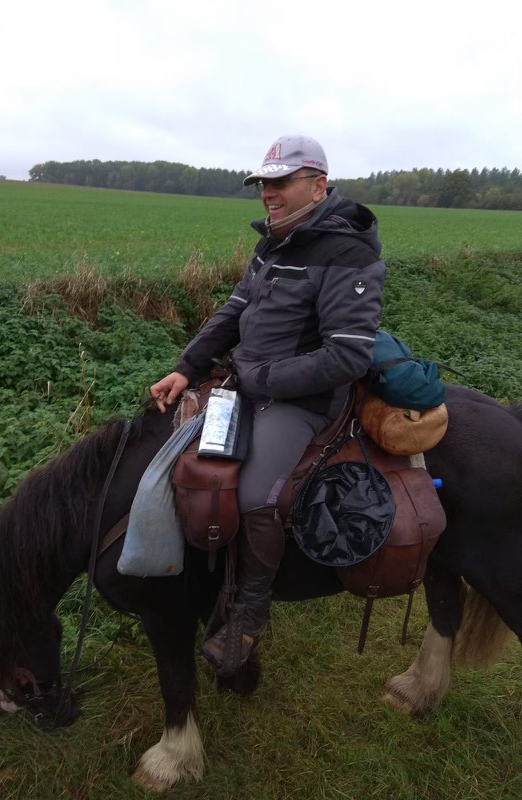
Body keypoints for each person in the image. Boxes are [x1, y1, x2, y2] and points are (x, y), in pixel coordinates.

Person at [150, 135, 386, 674]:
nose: (268, 194)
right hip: (249, 384)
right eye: (263, 184)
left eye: (280, 182)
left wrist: (261, 378)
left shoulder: (347, 253)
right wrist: (186, 367)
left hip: (303, 403)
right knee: (190, 468)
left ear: (318, 185)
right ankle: (202, 588)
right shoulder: (273, 244)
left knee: (256, 493)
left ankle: (250, 614)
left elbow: (348, 355)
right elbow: (233, 312)